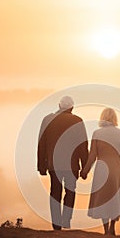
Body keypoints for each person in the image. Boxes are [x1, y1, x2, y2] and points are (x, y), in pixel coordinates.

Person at [37, 96, 88, 230]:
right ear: (72, 108)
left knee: (55, 192)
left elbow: (42, 144)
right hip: (72, 165)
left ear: (59, 106)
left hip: (54, 164)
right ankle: (66, 220)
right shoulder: (77, 121)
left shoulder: (47, 120)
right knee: (70, 191)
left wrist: (41, 165)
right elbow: (83, 145)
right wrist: (85, 167)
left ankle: (56, 224)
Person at [80, 108, 120, 236]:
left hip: (102, 169)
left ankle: (106, 229)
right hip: (117, 169)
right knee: (115, 199)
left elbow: (92, 156)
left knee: (103, 199)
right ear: (115, 118)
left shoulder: (97, 133)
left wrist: (85, 171)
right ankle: (113, 226)